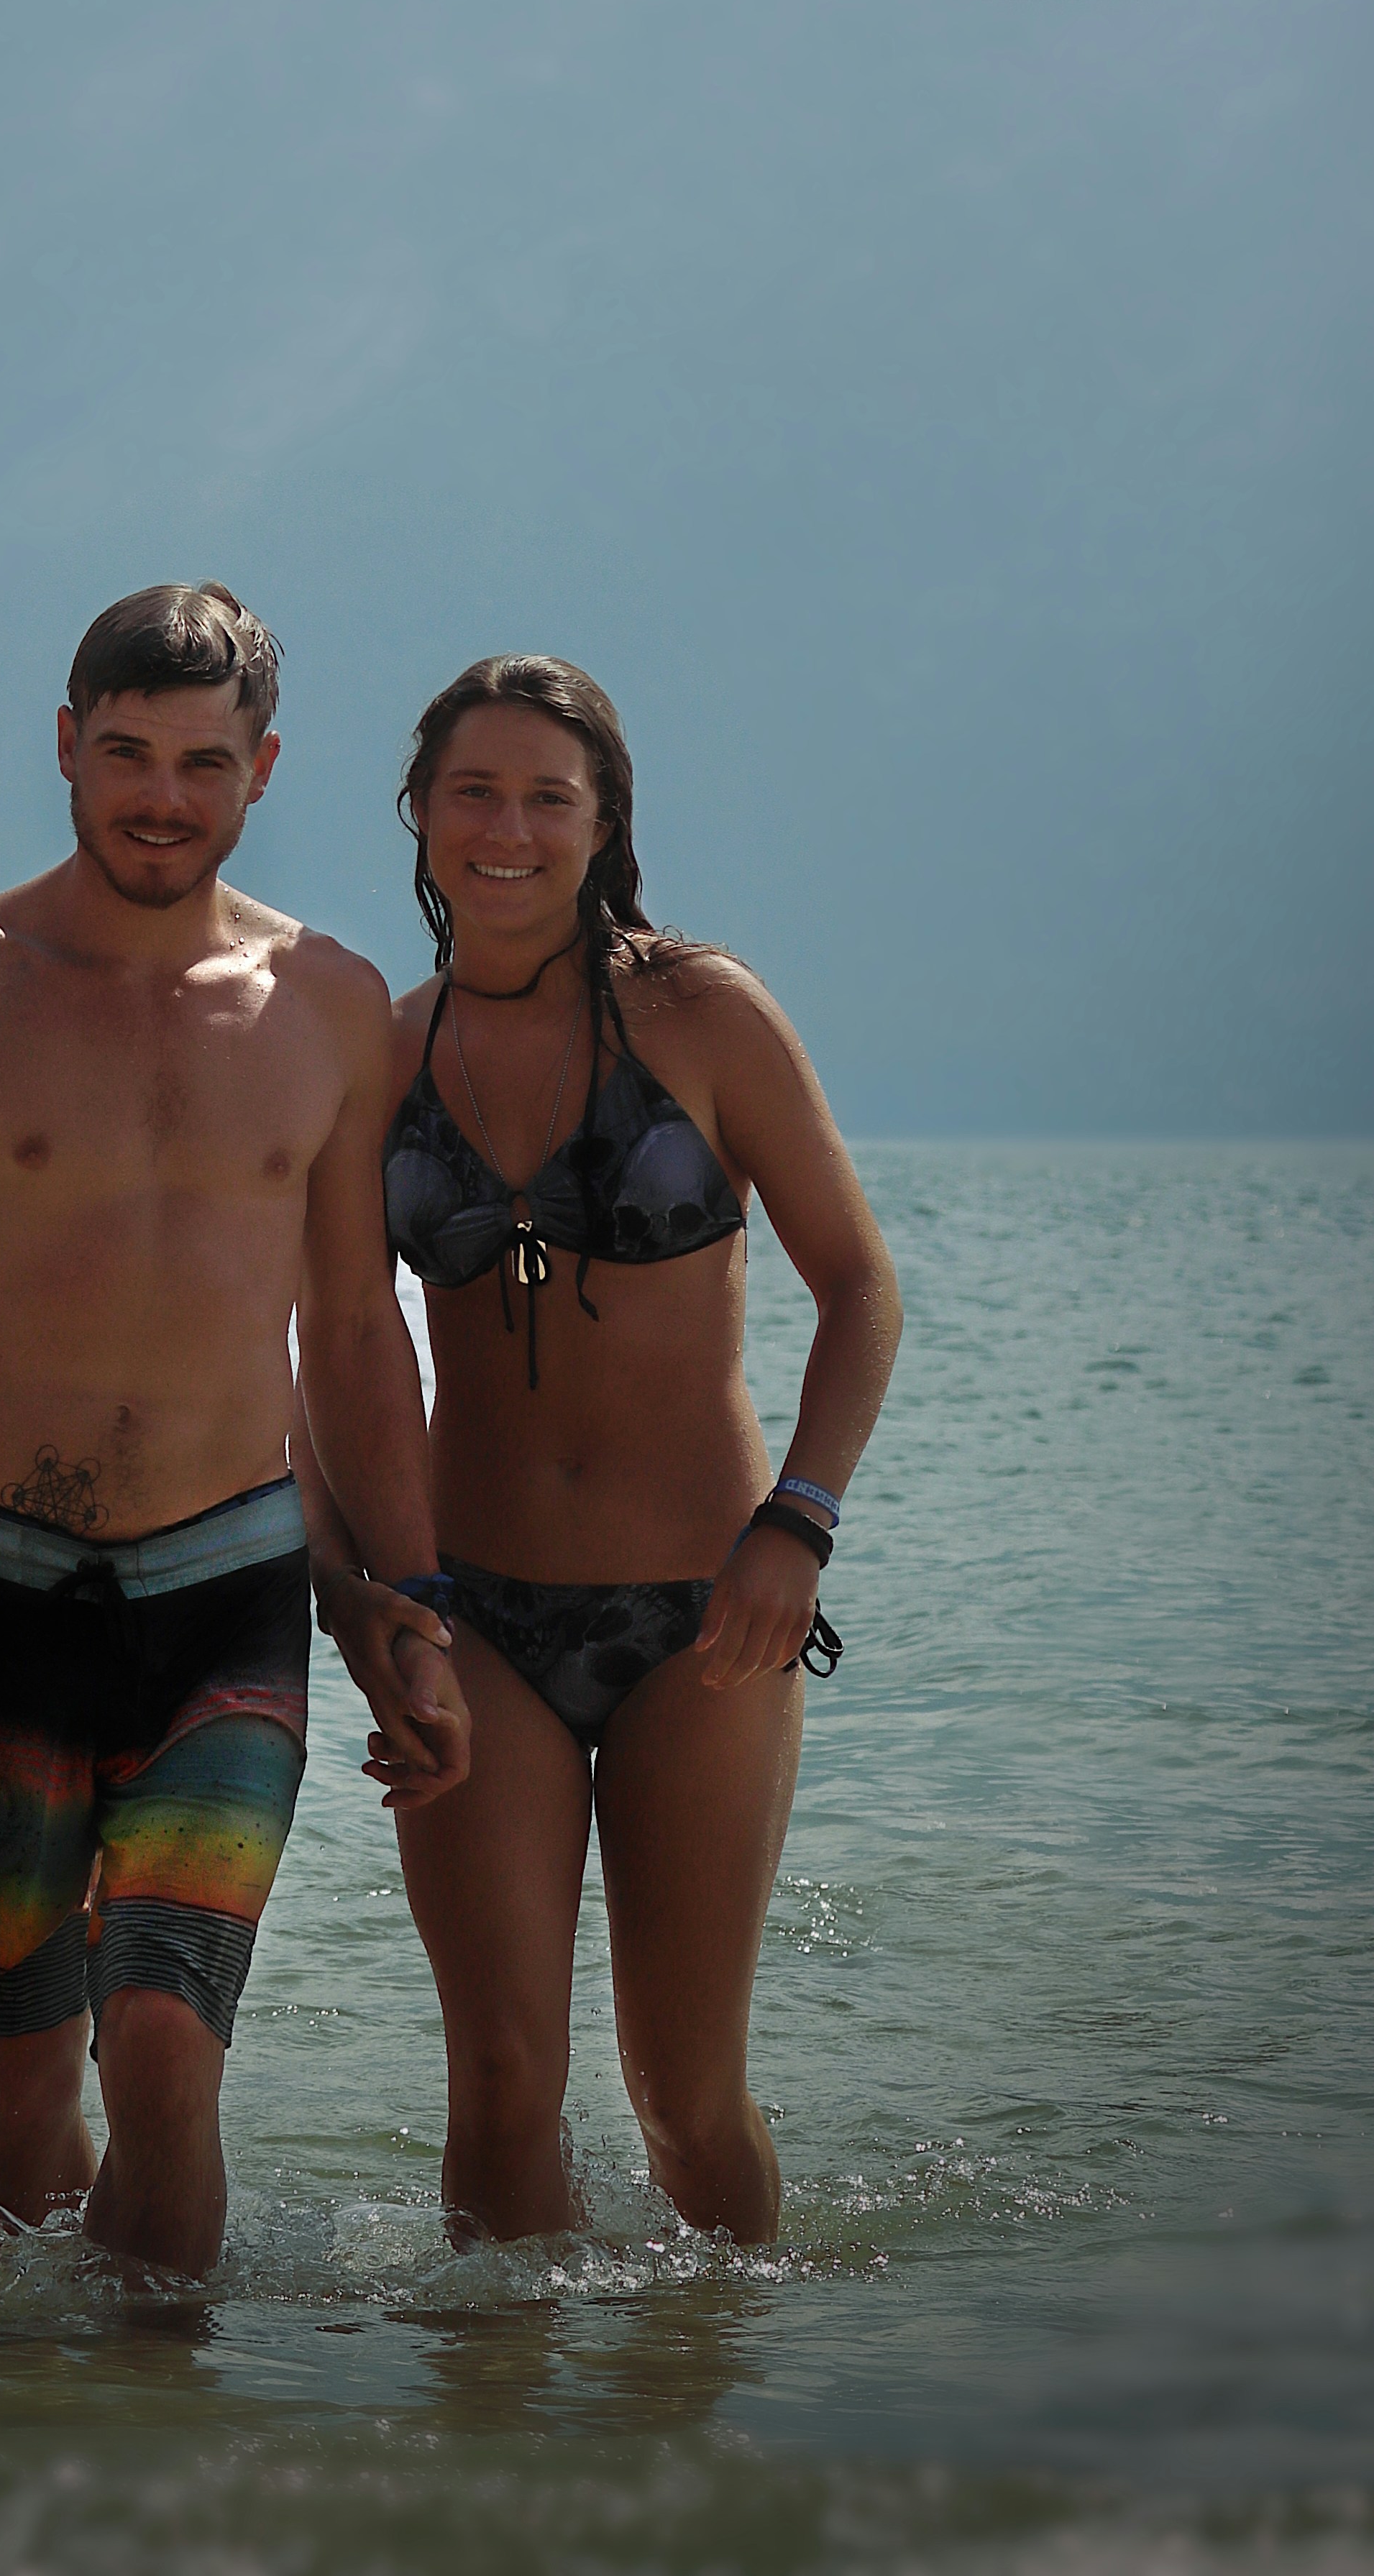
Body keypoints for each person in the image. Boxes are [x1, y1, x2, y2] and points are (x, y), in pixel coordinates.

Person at [0, 582, 467, 2277]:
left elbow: (359, 1335)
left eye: (200, 760)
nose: (160, 795)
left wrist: (409, 1602)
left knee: (166, 2048)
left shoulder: (325, 1000)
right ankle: (40, 2440)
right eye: (124, 754)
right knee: (24, 2098)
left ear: (262, 769)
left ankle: (165, 2436)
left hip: (225, 1590)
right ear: (65, 746)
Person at [298, 654, 901, 2247]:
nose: (507, 826)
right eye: (472, 790)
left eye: (547, 795)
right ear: (420, 815)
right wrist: (357, 1592)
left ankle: (704, 2431)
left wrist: (802, 1522)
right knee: (497, 2081)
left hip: (706, 1614)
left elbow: (860, 1285)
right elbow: (320, 1354)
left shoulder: (700, 1010)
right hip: (471, 1610)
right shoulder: (385, 1048)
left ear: (603, 818)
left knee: (683, 2093)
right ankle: (497, 2454)